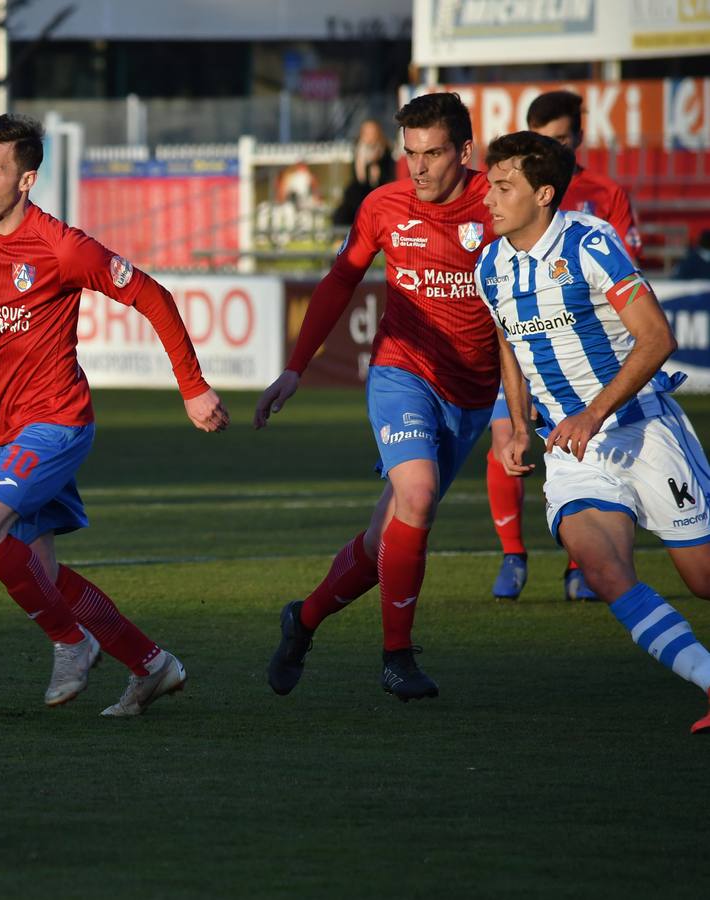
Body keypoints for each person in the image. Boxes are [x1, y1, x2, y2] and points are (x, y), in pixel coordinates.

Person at [0, 114, 229, 717]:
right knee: (42, 576)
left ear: (26, 180)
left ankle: (70, 643)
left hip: (57, 420)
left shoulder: (62, 247)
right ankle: (152, 664)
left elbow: (151, 295)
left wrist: (193, 387)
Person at [256, 92, 496, 702]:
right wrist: (294, 368)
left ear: (465, 152)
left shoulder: (497, 205)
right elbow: (340, 281)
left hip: (472, 392)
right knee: (417, 497)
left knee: (381, 540)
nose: (417, 168)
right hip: (402, 372)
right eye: (409, 153)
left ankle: (303, 620)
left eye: (433, 154)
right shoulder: (384, 206)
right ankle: (395, 658)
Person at [477, 130, 710, 733]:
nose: (489, 198)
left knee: (703, 579)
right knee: (603, 570)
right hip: (573, 453)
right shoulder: (490, 265)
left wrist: (593, 411)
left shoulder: (589, 243)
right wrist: (519, 423)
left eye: (504, 187)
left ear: (545, 194)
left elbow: (657, 337)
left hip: (643, 431)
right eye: (489, 185)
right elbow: (509, 341)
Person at [487, 89, 645, 602]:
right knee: (503, 438)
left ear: (577, 137)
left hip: (585, 355)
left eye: (563, 138)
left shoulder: (603, 197)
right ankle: (513, 554)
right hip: (524, 341)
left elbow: (625, 277)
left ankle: (581, 564)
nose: (559, 147)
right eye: (546, 139)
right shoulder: (509, 192)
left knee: (585, 450)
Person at [333, 119, 396, 227]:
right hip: (359, 194)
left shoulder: (385, 151)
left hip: (379, 191)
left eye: (372, 132)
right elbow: (357, 177)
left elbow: (389, 176)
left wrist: (376, 164)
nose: (369, 136)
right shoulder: (358, 151)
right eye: (366, 133)